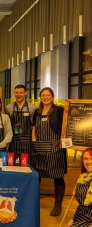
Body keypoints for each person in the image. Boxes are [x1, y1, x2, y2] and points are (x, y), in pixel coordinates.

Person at [31, 87, 66, 216]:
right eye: (43, 95)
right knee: (37, 176)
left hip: (55, 148)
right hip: (39, 148)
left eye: (48, 95)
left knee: (58, 176)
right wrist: (34, 141)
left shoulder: (59, 111)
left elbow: (65, 126)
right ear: (40, 97)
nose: (45, 97)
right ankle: (33, 200)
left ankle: (58, 204)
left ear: (52, 96)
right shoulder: (36, 112)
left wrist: (63, 142)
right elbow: (33, 128)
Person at [5, 84, 37, 162]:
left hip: (28, 142)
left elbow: (34, 125)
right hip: (13, 141)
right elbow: (7, 125)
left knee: (27, 164)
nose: (18, 95)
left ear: (25, 93)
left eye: (21, 92)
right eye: (16, 92)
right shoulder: (9, 107)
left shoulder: (33, 107)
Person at [68, 148, 92, 227]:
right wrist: (73, 219)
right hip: (80, 215)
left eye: (91, 158)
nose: (89, 162)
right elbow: (81, 205)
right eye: (86, 159)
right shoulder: (83, 177)